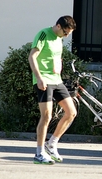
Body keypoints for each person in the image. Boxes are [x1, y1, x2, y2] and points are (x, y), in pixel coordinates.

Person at [28, 15, 77, 165]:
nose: (67, 35)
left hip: (57, 80)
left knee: (71, 112)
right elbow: (32, 56)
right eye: (66, 32)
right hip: (44, 80)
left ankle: (51, 144)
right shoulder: (43, 35)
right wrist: (39, 77)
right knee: (47, 116)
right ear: (58, 26)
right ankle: (39, 153)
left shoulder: (59, 39)